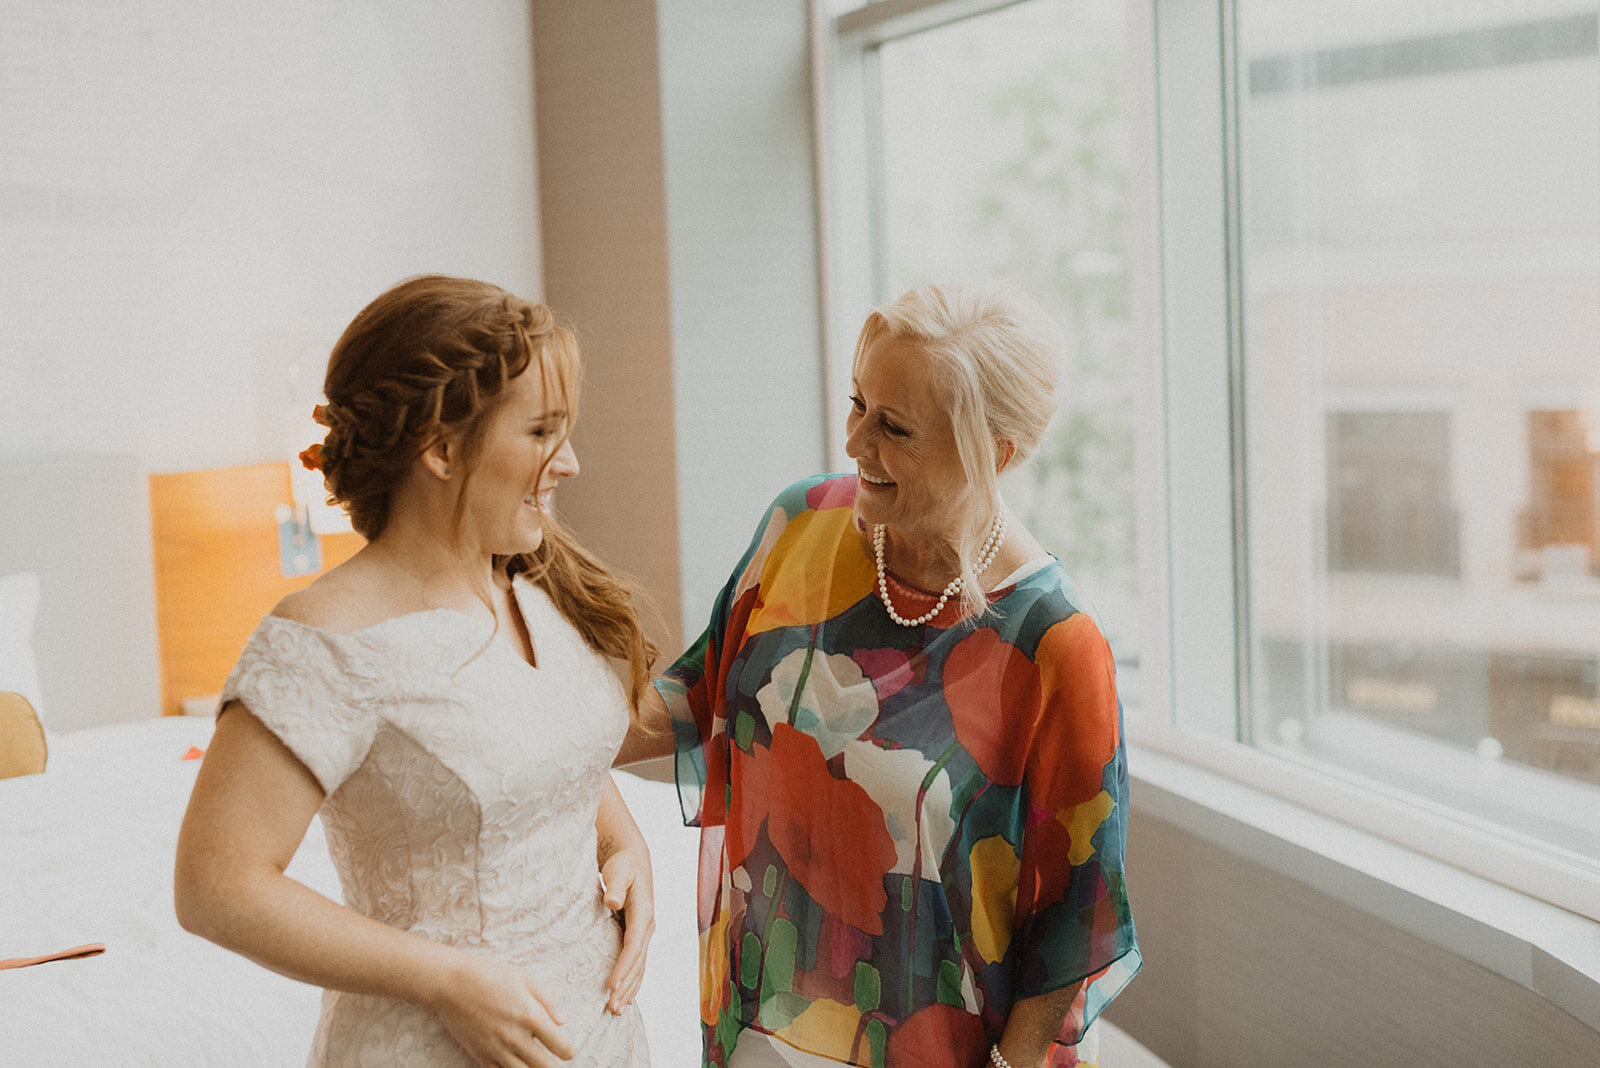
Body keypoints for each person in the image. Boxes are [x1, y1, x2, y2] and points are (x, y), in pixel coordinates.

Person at [618, 282, 1140, 1068]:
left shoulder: (1055, 643)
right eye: (858, 403)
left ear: (990, 452)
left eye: (893, 426)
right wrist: (530, 723)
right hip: (759, 1015)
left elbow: (1078, 916)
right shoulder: (801, 524)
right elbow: (696, 694)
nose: (856, 441)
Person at [175, 274, 659, 1068]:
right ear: (440, 448)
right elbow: (215, 885)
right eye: (540, 433)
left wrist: (622, 838)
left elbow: (531, 743)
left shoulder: (524, 581)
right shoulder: (327, 641)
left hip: (600, 1034)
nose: (569, 463)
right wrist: (447, 980)